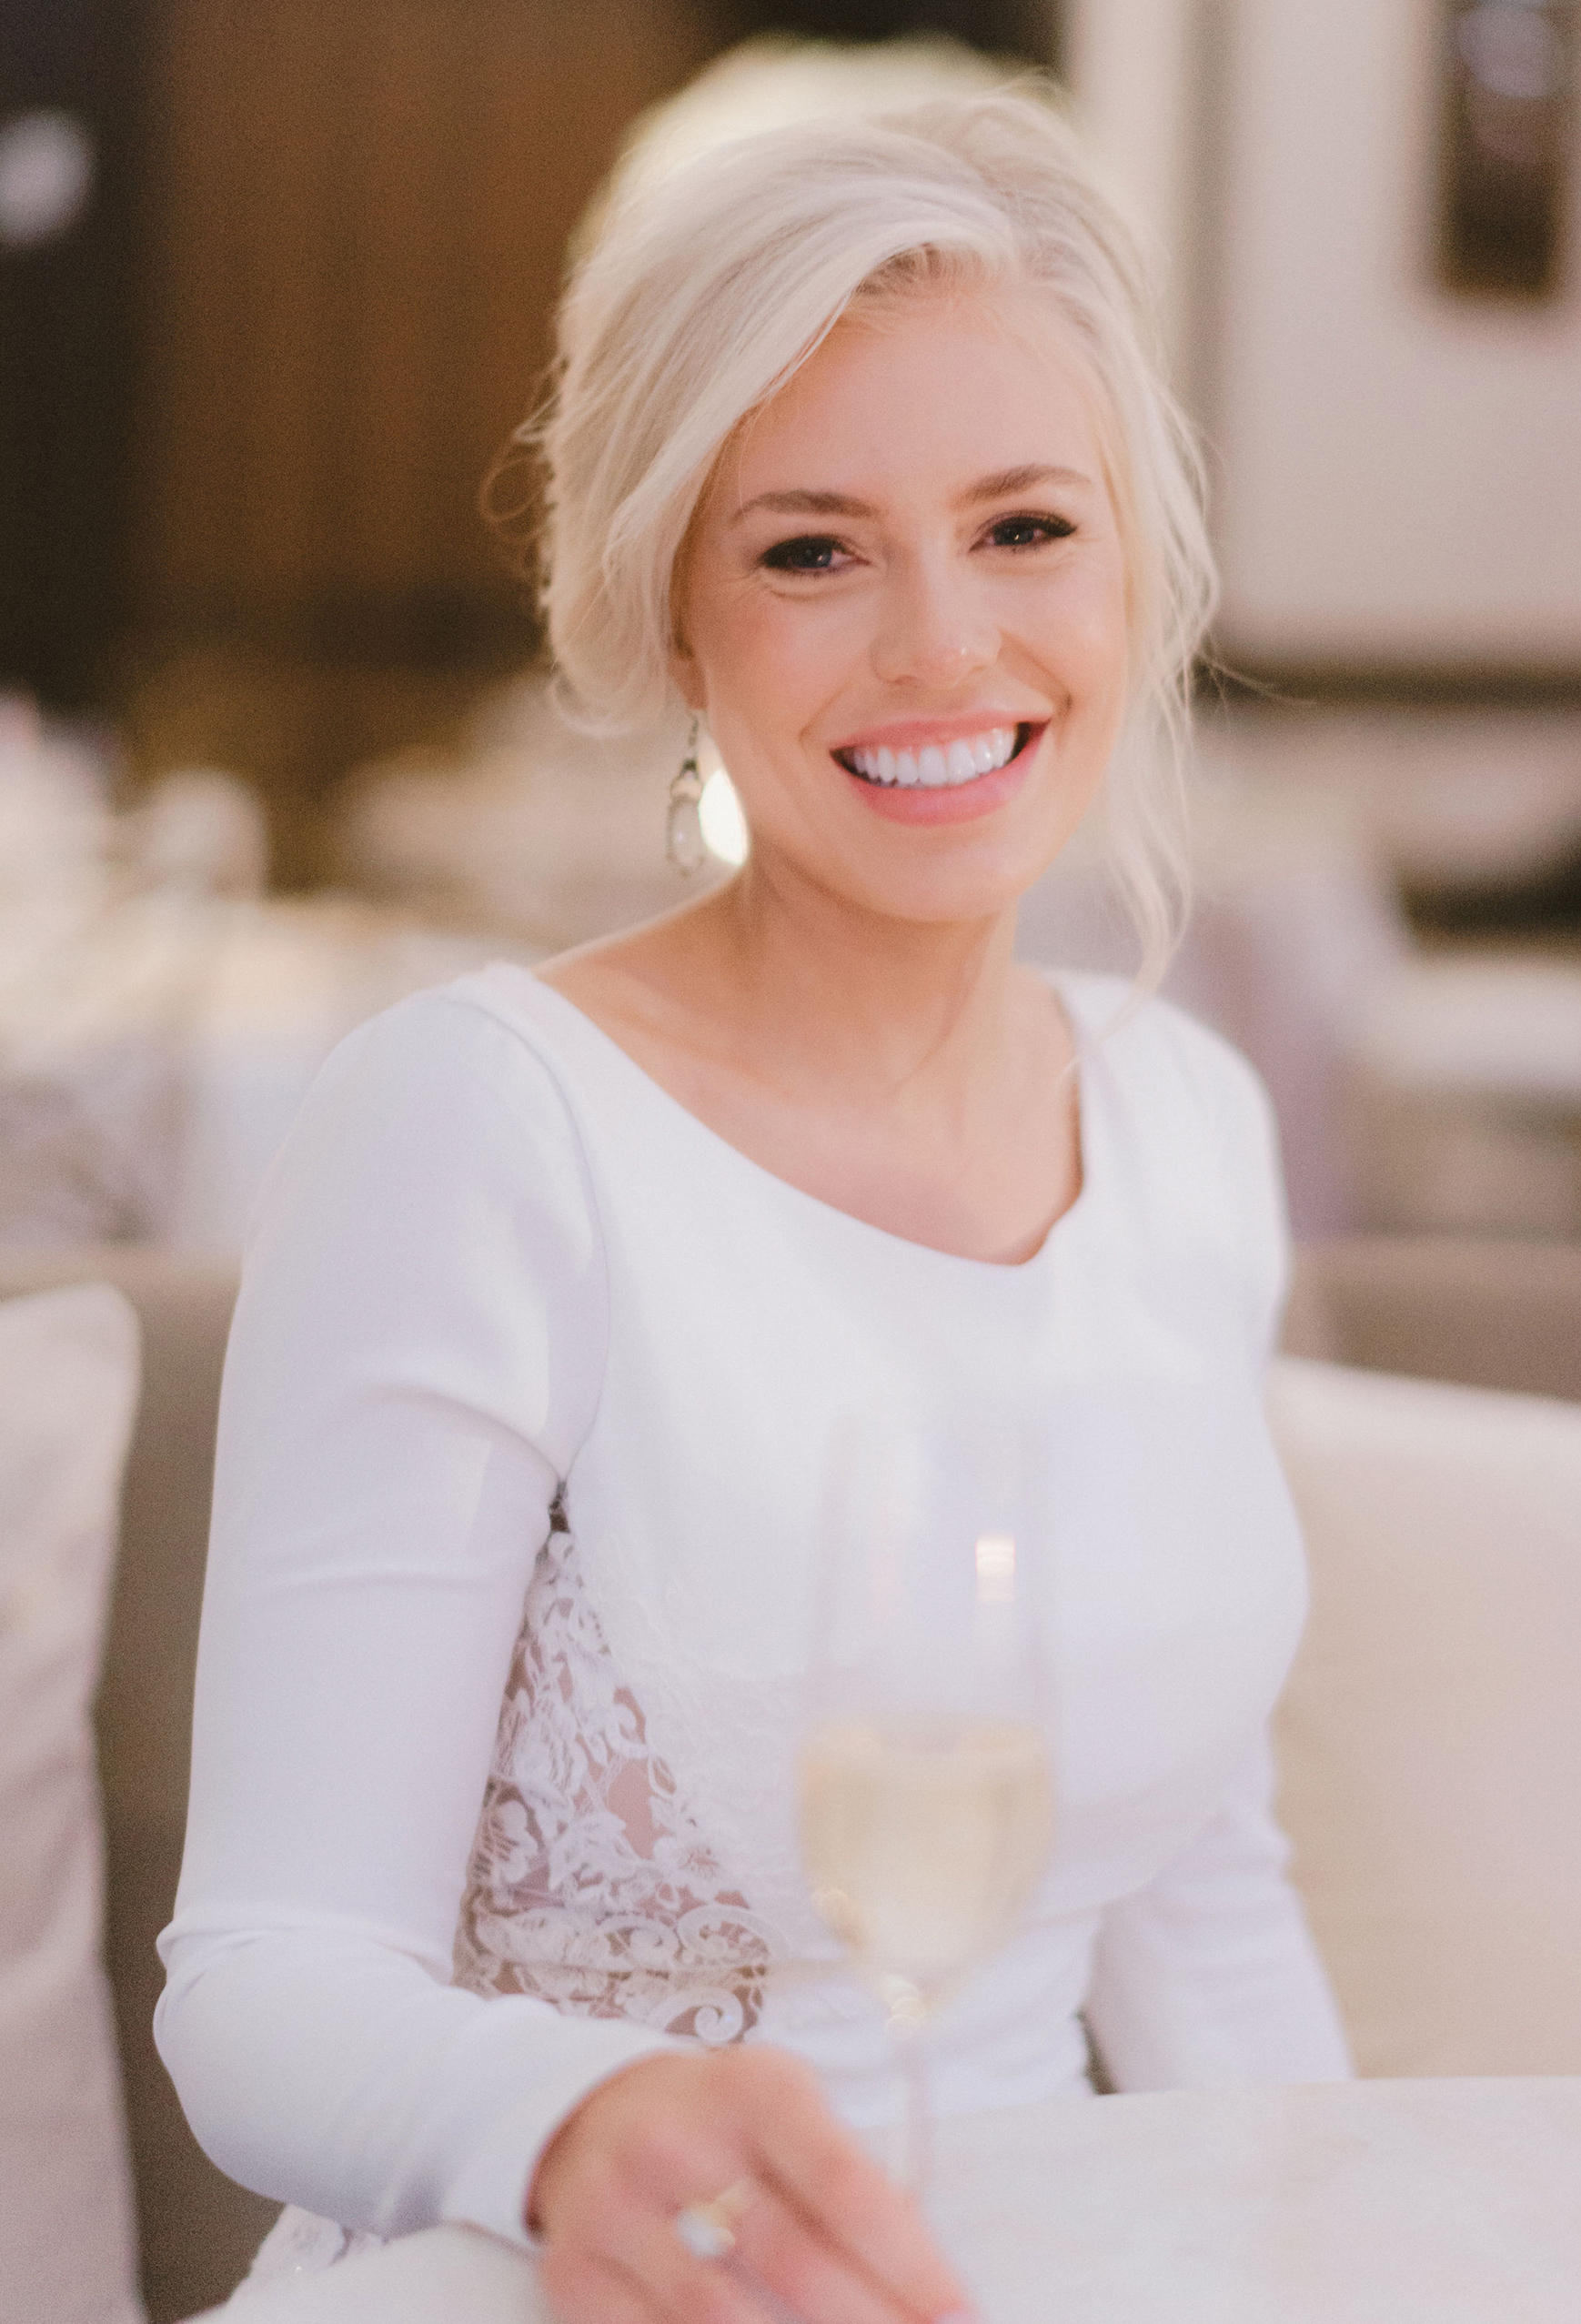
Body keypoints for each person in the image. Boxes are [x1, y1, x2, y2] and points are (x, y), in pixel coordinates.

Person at [156, 86, 1351, 2324]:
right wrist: (570, 2125)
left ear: (1133, 571)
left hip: (1041, 2271)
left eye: (1021, 530)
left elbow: (1203, 1914)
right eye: (810, 550)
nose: (936, 648)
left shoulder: (1187, 1128)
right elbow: (263, 1986)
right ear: (673, 618)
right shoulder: (480, 1133)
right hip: (548, 2279)